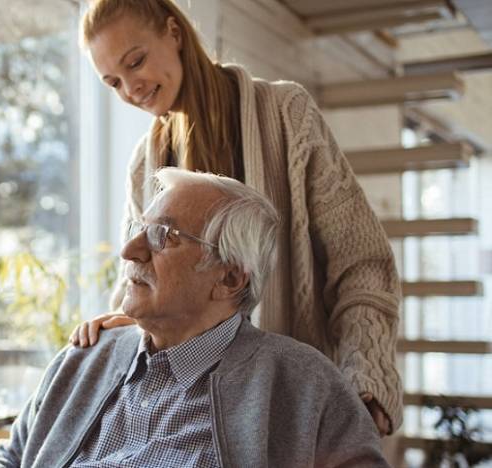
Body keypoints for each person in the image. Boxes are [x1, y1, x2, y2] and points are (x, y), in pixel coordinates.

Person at [70, 0, 402, 436]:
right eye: (113, 82)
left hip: (295, 409)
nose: (131, 88)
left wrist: (365, 384)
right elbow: (143, 276)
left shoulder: (288, 115)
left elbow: (361, 263)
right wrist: (121, 319)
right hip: (192, 416)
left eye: (136, 61)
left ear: (174, 32)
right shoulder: (143, 165)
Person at [0, 168, 388, 467]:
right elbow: (9, 458)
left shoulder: (303, 384)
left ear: (228, 278)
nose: (130, 250)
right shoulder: (83, 358)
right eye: (138, 228)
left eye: (163, 236)